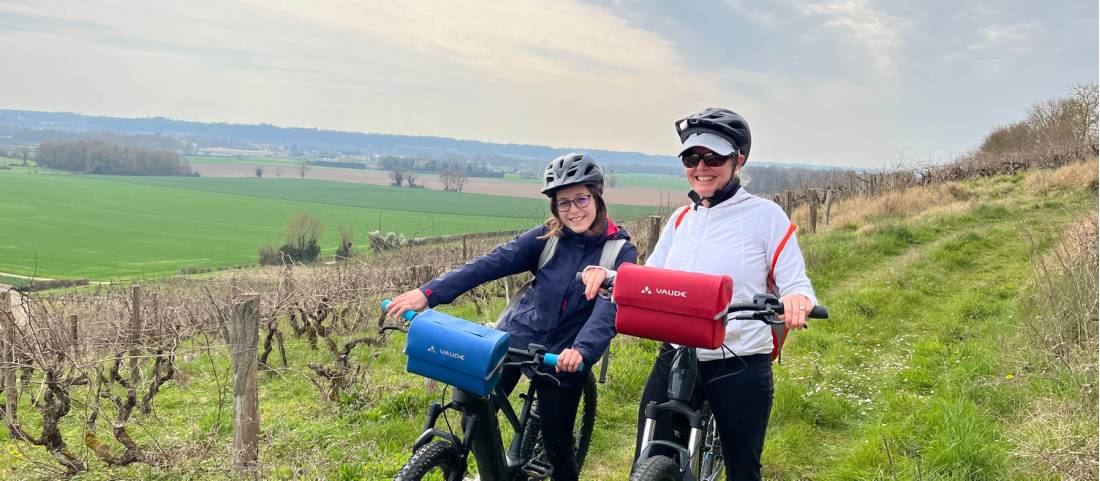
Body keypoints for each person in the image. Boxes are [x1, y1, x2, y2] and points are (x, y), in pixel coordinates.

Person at [584, 108, 818, 481]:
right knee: (646, 457)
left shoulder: (766, 216)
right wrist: (611, 276)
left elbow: (796, 282)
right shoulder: (680, 220)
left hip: (738, 359)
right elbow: (649, 277)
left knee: (743, 469)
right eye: (692, 158)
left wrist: (796, 300)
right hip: (677, 354)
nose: (701, 166)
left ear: (738, 160)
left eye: (714, 157)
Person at [386, 153, 637, 481]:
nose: (574, 210)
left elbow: (608, 309)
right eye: (564, 203)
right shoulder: (546, 238)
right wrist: (429, 293)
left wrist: (582, 351)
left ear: (597, 197)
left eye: (581, 199)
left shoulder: (618, 252)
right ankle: (491, 470)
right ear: (554, 207)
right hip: (519, 336)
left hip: (565, 354)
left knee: (557, 444)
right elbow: (489, 264)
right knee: (474, 407)